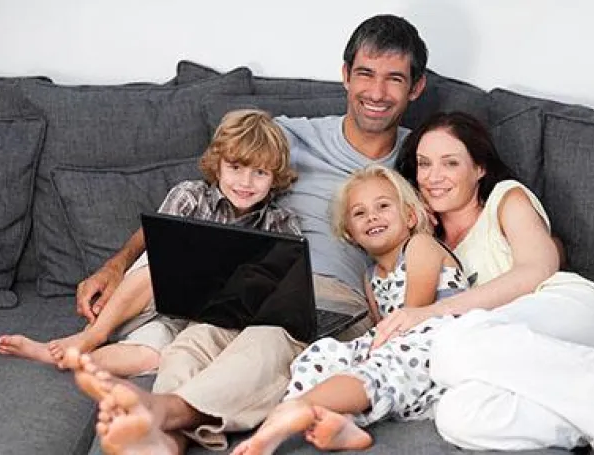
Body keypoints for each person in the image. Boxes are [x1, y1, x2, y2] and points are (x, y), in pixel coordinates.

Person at [71, 14, 430, 454]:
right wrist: (117, 264)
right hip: (248, 285)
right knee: (192, 342)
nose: (376, 92)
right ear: (344, 75)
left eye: (394, 79)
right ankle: (160, 440)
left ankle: (162, 413)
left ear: (416, 88)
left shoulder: (425, 159)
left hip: (333, 298)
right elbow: (196, 204)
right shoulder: (289, 136)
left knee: (269, 337)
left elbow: (471, 220)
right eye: (365, 74)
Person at [384, 111, 594, 450]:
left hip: (575, 313)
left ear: (479, 168)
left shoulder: (505, 199)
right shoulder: (425, 246)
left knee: (452, 344)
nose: (433, 176)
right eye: (424, 164)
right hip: (531, 363)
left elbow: (537, 268)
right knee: (457, 415)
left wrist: (437, 311)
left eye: (450, 163)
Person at [0, 108, 301, 377]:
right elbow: (159, 248)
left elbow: (279, 287)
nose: (245, 183)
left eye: (259, 173)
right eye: (236, 168)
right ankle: (92, 336)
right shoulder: (190, 196)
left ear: (274, 178)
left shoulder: (281, 223)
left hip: (199, 322)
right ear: (218, 165)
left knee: (154, 356)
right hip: (149, 299)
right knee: (160, 261)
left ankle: (74, 358)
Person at [232, 165, 469, 454]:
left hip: (441, 340)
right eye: (359, 213)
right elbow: (380, 329)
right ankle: (339, 420)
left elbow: (412, 315)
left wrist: (373, 353)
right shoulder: (370, 278)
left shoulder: (421, 245)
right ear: (350, 233)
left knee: (382, 364)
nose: (372, 216)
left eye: (383, 206)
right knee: (325, 353)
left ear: (409, 216)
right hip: (398, 347)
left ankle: (290, 415)